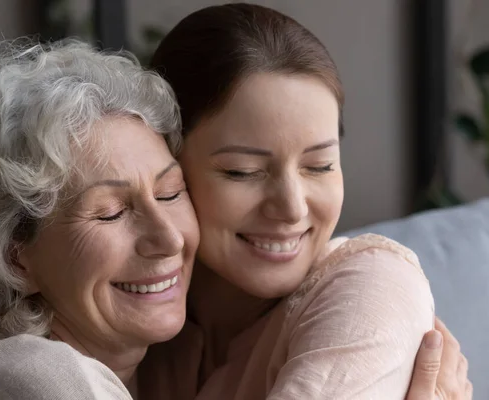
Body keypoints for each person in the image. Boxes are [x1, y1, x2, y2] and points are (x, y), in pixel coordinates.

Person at [138, 3, 472, 399]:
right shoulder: (135, 316)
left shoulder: (371, 290)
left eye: (320, 166)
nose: (293, 207)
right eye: (243, 171)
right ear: (166, 166)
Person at [0, 39, 199, 399]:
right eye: (111, 213)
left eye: (170, 193)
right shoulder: (46, 381)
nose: (170, 239)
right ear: (14, 260)